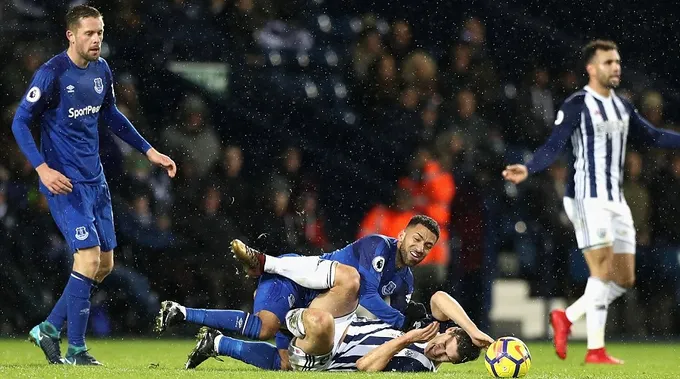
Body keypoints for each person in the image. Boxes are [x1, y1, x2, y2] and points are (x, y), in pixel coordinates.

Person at [11, 5, 176, 365]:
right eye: (89, 33)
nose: (96, 38)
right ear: (71, 35)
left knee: (103, 265)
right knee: (86, 259)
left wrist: (149, 151)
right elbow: (20, 123)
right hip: (65, 184)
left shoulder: (102, 70)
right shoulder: (52, 73)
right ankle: (77, 350)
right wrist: (41, 169)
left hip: (96, 181)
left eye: (100, 32)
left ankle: (49, 328)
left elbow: (111, 115)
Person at [502, 39, 680, 364]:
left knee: (624, 278)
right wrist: (528, 168)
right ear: (591, 68)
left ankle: (568, 319)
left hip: (616, 199)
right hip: (587, 198)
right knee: (601, 272)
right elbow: (554, 144)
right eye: (609, 62)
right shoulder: (577, 103)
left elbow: (653, 136)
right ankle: (595, 347)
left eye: (618, 61)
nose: (616, 67)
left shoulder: (623, 106)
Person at [156, 215, 440, 368]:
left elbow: (396, 321)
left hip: (316, 305)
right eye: (417, 238)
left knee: (286, 363)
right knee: (266, 327)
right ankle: (185, 310)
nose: (421, 248)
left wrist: (420, 326)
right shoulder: (377, 246)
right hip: (293, 280)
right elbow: (368, 297)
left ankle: (217, 344)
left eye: (428, 246)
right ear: (402, 235)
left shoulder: (406, 281)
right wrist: (403, 321)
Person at [184, 288, 493, 372]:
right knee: (275, 337)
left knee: (285, 360)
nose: (437, 350)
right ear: (448, 332)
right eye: (444, 343)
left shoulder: (418, 366)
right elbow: (440, 298)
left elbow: (364, 366)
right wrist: (473, 329)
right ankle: (293, 316)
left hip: (331, 353)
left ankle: (218, 343)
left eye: (445, 357)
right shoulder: (431, 328)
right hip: (344, 322)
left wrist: (407, 339)